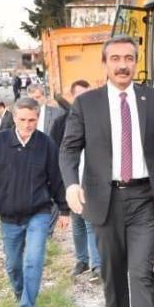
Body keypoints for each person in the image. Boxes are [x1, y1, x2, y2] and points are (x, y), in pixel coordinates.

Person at [60, 35, 154, 307]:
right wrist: (70, 184)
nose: (123, 64)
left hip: (144, 200)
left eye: (128, 58)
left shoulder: (153, 99)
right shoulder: (87, 104)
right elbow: (69, 149)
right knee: (112, 273)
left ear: (136, 62)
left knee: (141, 273)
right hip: (104, 200)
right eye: (116, 59)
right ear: (105, 64)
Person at [0, 97, 70, 307]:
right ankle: (20, 294)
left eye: (32, 120)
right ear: (14, 117)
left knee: (33, 260)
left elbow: (57, 180)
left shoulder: (46, 144)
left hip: (39, 213)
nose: (27, 125)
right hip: (8, 216)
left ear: (38, 118)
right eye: (23, 119)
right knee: (14, 265)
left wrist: (64, 210)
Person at [64, 80, 100, 283]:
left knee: (90, 222)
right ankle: (82, 261)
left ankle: (97, 265)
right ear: (73, 97)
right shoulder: (63, 121)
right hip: (71, 180)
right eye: (80, 96)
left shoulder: (99, 120)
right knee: (77, 223)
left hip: (91, 180)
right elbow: (58, 152)